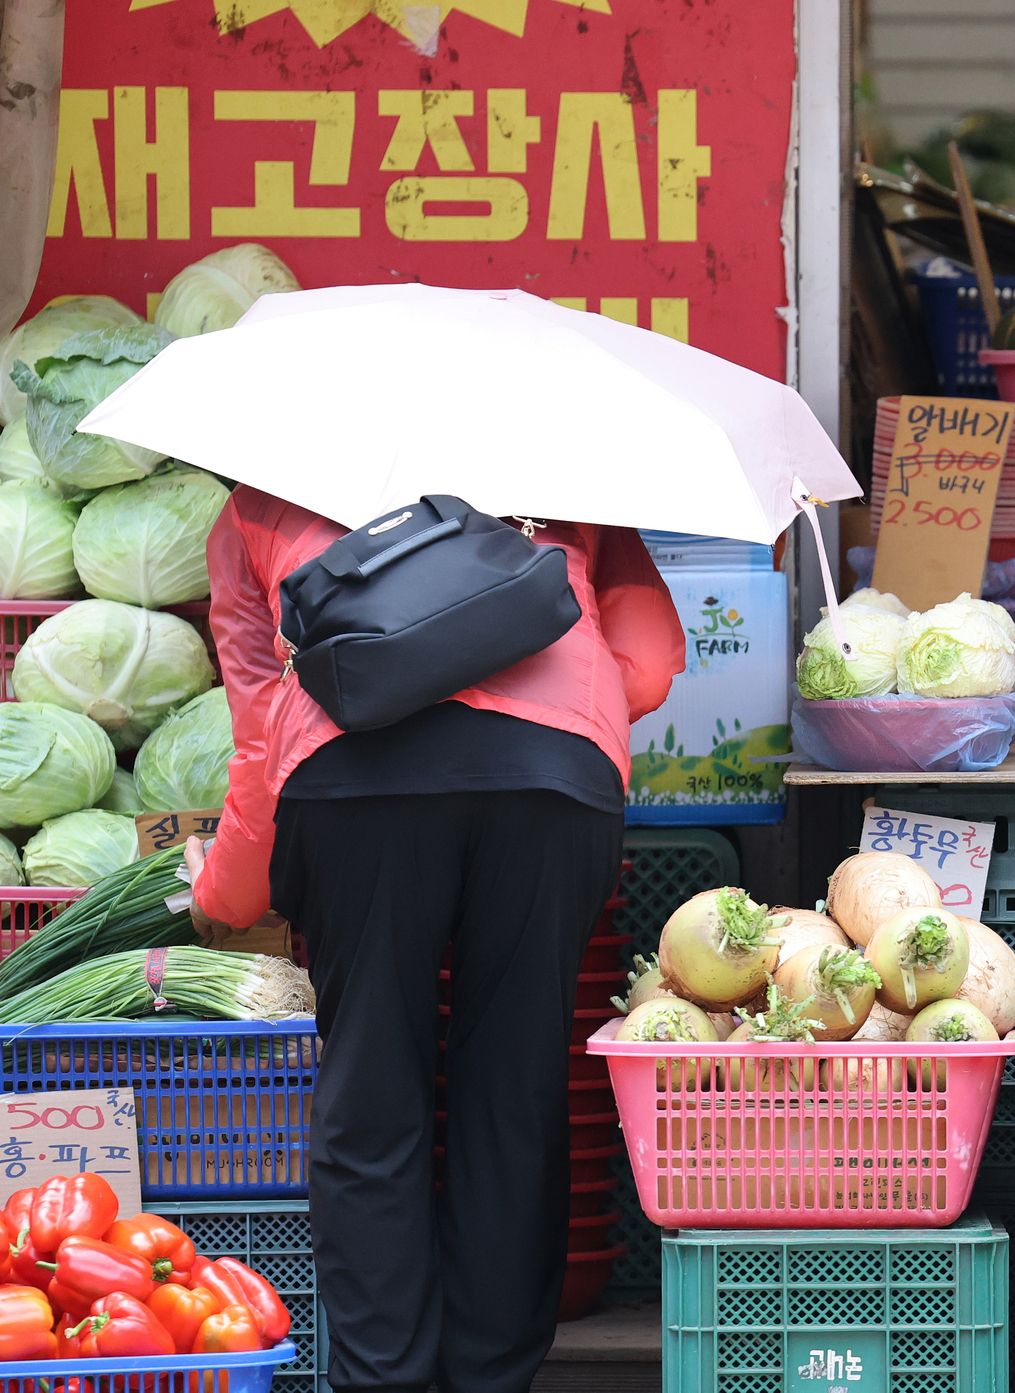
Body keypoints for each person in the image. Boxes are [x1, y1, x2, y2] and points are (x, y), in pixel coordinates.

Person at [185, 487, 684, 1393]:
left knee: (372, 1083)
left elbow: (259, 730)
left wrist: (224, 890)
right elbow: (647, 666)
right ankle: (491, 1375)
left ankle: (383, 1376)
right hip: (549, 779)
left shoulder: (262, 497)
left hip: (351, 784)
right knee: (514, 1081)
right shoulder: (565, 473)